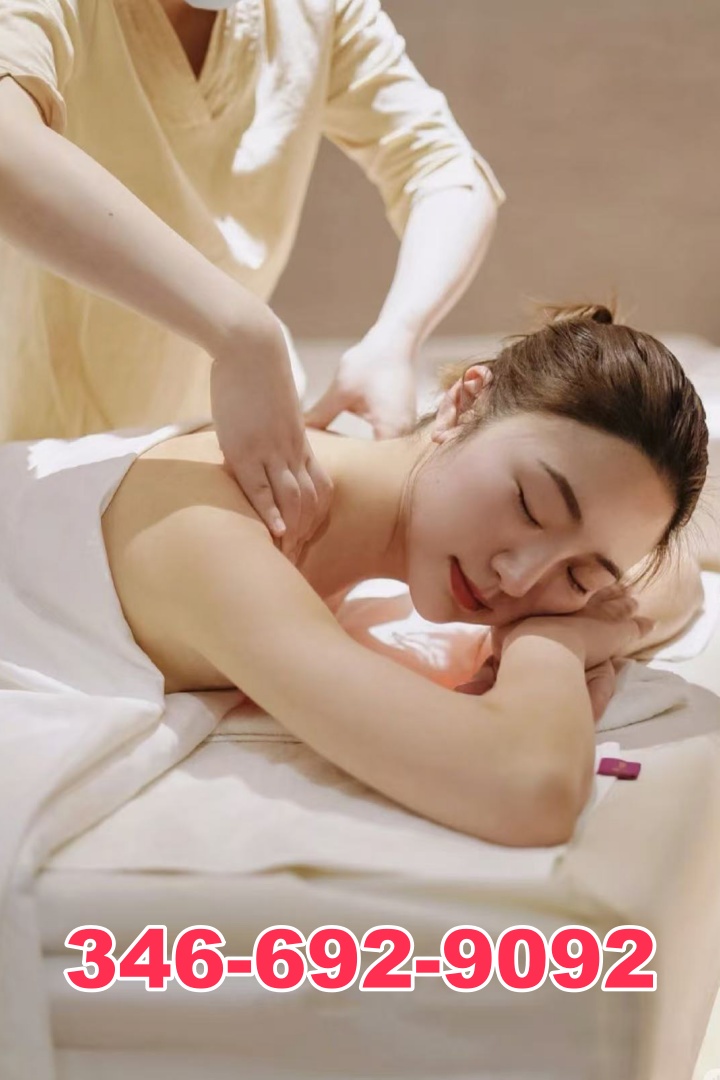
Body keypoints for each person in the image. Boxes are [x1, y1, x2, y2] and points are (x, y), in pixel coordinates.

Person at [76, 302, 704, 849]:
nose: (519, 580)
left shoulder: (357, 492)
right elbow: (530, 788)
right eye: (530, 507)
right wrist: (557, 641)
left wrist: (581, 619)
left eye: (580, 577)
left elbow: (678, 584)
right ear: (463, 405)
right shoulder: (212, 526)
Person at [0, 0, 504, 563]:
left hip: (196, 455)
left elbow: (445, 170)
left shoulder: (311, 12)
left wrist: (396, 338)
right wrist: (239, 333)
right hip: (24, 455)